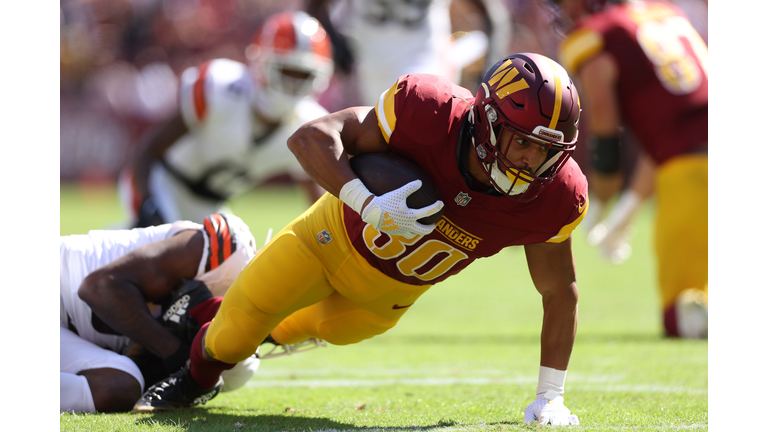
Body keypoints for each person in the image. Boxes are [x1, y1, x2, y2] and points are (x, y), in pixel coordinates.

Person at [133, 52, 586, 427]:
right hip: (325, 239)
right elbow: (311, 138)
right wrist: (367, 203)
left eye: (547, 150)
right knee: (232, 336)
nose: (532, 161)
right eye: (522, 142)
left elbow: (557, 291)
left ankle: (199, 314)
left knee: (286, 328)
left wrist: (551, 395)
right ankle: (191, 376)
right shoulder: (427, 111)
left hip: (386, 297)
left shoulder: (554, 196)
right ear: (487, 120)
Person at [552, 0, 708, 338]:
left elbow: (607, 135)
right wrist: (629, 207)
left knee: (682, 318)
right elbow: (674, 133)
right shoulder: (667, 12)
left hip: (695, 171)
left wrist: (598, 204)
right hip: (692, 162)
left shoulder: (596, 36)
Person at [118, 11, 333, 228]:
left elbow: (318, 209)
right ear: (261, 63)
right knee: (163, 247)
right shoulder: (221, 89)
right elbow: (149, 148)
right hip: (161, 185)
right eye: (286, 71)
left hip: (208, 206)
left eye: (304, 75)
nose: (293, 85)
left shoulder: (308, 126)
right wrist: (148, 202)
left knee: (232, 254)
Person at [60, 213, 263, 413]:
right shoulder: (227, 255)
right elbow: (100, 287)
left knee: (120, 385)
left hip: (67, 327)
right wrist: (176, 354)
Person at [306, 0, 512, 107]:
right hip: (373, 71)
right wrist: (336, 45)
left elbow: (495, 18)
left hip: (429, 65)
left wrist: (488, 74)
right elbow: (313, 7)